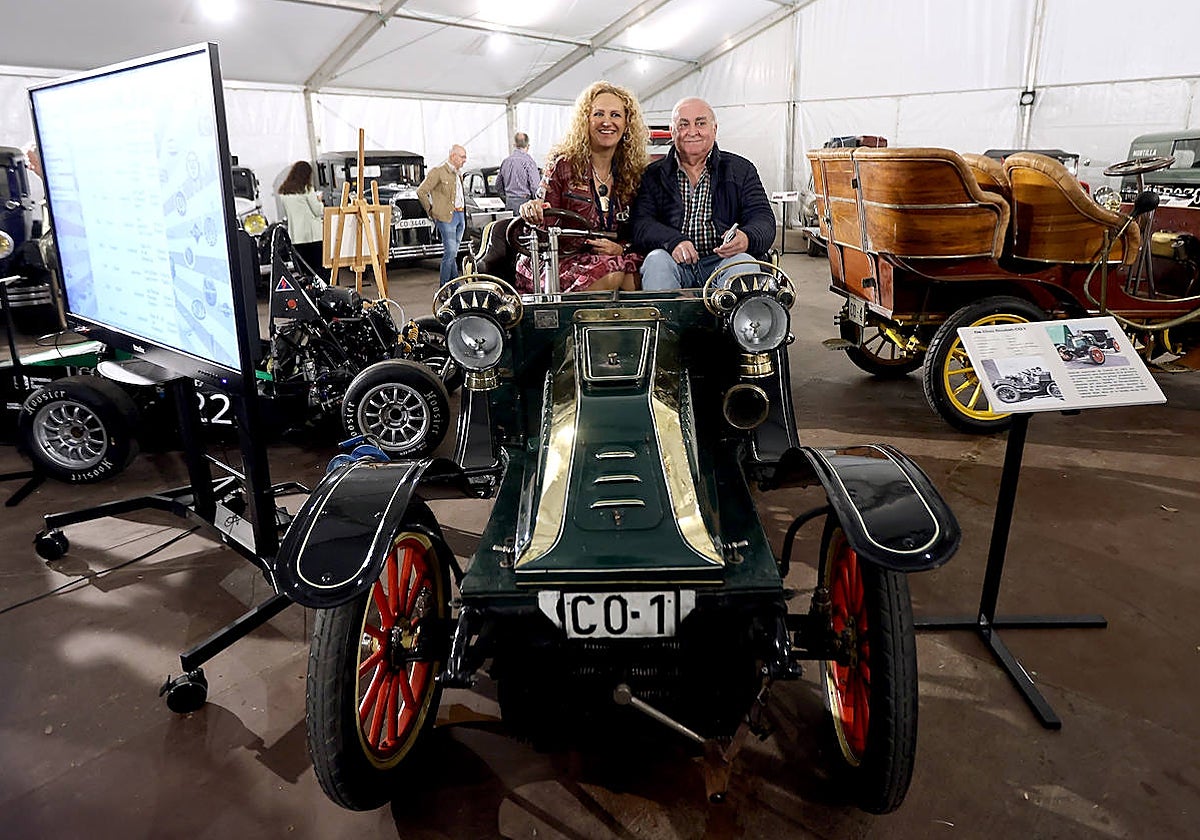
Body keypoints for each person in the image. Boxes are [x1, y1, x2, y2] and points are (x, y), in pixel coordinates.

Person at [516, 81, 649, 293]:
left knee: (638, 275)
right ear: (585, 120)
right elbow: (541, 226)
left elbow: (642, 229)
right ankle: (568, 325)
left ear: (627, 124)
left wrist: (620, 248)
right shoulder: (563, 165)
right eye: (598, 114)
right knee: (612, 273)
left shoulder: (634, 172)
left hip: (614, 257)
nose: (607, 122)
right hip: (562, 259)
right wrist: (533, 210)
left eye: (615, 115)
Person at [630, 97, 776, 290]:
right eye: (683, 124)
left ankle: (738, 320)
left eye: (700, 123)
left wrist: (747, 237)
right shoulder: (653, 174)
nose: (692, 131)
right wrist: (673, 241)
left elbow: (764, 219)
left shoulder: (741, 170)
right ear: (672, 132)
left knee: (744, 264)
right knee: (656, 262)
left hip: (724, 261)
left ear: (714, 129)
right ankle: (665, 320)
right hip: (674, 261)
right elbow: (640, 224)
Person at [417, 144, 468, 286]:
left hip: (459, 215)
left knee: (453, 254)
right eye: (462, 157)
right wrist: (431, 211)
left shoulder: (458, 174)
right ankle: (444, 286)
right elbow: (421, 191)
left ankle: (454, 286)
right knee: (450, 253)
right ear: (453, 156)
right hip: (446, 218)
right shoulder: (437, 172)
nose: (465, 160)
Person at [277, 161, 329, 281]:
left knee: (305, 273)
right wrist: (319, 200)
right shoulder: (307, 189)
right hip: (313, 237)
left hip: (296, 238)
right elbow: (317, 211)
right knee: (321, 272)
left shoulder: (284, 191)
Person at [495, 132, 541, 214]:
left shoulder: (505, 162)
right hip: (525, 204)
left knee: (510, 226)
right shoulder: (529, 162)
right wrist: (538, 202)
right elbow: (535, 186)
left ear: (514, 145)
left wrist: (506, 197)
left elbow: (498, 185)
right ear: (528, 146)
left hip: (509, 202)